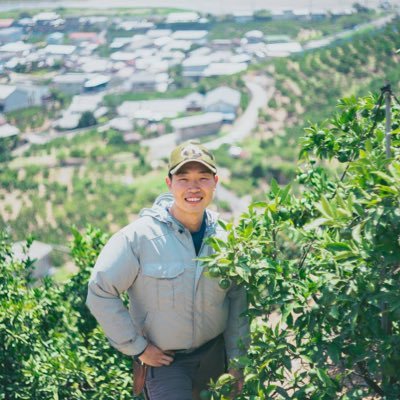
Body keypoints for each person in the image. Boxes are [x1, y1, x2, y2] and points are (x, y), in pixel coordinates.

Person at [86, 141, 249, 399]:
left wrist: (238, 362)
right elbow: (100, 291)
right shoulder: (138, 238)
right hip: (165, 363)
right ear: (169, 183)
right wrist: (137, 348)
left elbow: (237, 302)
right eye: (183, 178)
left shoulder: (227, 237)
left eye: (203, 178)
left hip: (216, 356)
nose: (194, 187)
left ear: (215, 182)